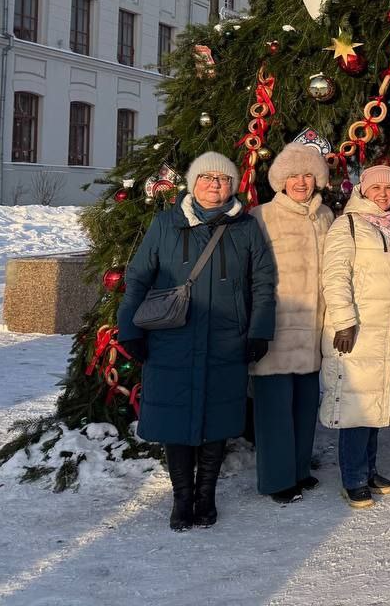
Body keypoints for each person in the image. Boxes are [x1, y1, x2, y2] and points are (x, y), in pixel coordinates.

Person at [117, 151, 276, 531]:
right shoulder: (165, 224)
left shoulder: (246, 227)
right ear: (193, 183)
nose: (213, 185)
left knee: (217, 421)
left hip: (226, 340)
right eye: (206, 178)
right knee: (175, 420)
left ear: (232, 186)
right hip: (172, 339)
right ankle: (181, 499)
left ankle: (206, 497)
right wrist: (130, 329)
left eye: (222, 180)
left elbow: (263, 284)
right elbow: (138, 278)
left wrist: (259, 330)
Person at [319, 164, 390, 509]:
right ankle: (353, 477)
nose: (383, 195)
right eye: (376, 189)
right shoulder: (349, 225)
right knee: (356, 406)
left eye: (389, 190)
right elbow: (334, 275)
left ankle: (369, 469)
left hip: (388, 330)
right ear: (363, 191)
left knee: (375, 404)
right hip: (358, 330)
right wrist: (344, 320)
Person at [249, 143, 334, 504]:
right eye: (294, 175)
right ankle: (277, 479)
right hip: (277, 329)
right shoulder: (261, 216)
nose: (301, 182)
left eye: (308, 175)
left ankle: (300, 469)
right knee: (273, 411)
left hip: (313, 329)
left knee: (303, 406)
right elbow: (251, 274)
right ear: (281, 180)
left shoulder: (326, 215)